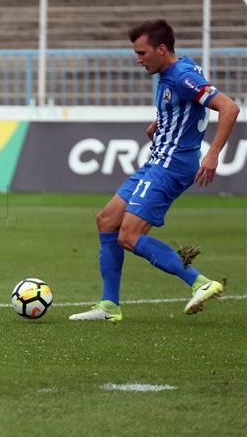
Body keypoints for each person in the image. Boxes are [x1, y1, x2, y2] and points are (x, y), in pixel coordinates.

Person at [70, 19, 240, 322]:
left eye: (142, 52)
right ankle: (109, 306)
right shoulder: (174, 71)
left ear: (162, 49)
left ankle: (201, 283)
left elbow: (229, 108)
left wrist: (212, 154)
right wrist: (161, 123)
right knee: (107, 220)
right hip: (157, 159)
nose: (138, 59)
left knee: (129, 236)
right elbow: (187, 108)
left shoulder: (182, 76)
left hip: (172, 165)